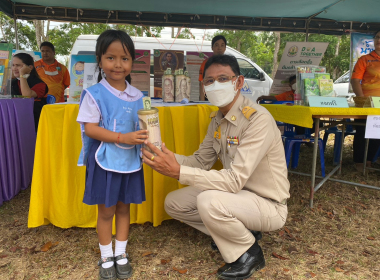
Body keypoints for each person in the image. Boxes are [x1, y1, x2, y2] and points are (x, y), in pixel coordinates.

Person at [142, 55, 290, 280]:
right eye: (209, 81)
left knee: (208, 201)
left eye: (223, 78)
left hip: (268, 204)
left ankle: (249, 253)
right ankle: (238, 231)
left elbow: (233, 180)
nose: (215, 85)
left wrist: (178, 171)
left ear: (239, 82)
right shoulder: (218, 119)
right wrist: (171, 158)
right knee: (174, 203)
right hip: (238, 196)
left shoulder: (257, 119)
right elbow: (201, 161)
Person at [76, 30, 149, 280]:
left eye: (125, 58)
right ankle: (106, 255)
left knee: (124, 208)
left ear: (132, 62)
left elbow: (143, 127)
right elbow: (91, 128)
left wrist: (148, 138)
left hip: (130, 161)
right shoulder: (94, 94)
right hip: (104, 160)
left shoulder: (139, 96)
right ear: (100, 60)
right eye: (111, 57)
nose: (118, 64)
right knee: (106, 211)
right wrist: (123, 138)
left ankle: (121, 253)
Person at [350, 30, 380, 171]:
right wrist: (362, 100)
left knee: (377, 134)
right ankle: (359, 163)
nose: (379, 40)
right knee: (362, 132)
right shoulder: (365, 59)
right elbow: (355, 80)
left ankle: (369, 162)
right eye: (378, 37)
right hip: (367, 103)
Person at [11, 52, 48, 132]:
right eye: (13, 65)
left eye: (18, 65)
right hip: (17, 120)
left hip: (34, 122)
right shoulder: (13, 83)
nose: (14, 68)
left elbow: (27, 96)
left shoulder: (40, 84)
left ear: (30, 67)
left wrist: (22, 75)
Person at [199, 35, 227, 100]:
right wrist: (202, 103)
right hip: (209, 98)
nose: (219, 48)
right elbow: (201, 84)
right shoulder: (206, 63)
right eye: (216, 45)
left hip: (225, 98)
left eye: (222, 45)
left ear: (225, 48)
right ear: (212, 47)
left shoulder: (229, 64)